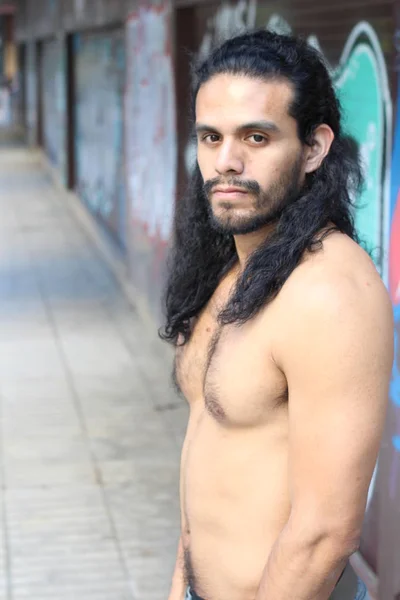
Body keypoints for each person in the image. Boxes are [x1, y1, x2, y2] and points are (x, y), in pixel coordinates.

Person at [160, 30, 394, 600]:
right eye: (210, 137)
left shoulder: (329, 292)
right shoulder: (232, 267)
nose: (226, 161)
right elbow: (205, 457)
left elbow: (324, 535)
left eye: (256, 137)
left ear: (314, 148)